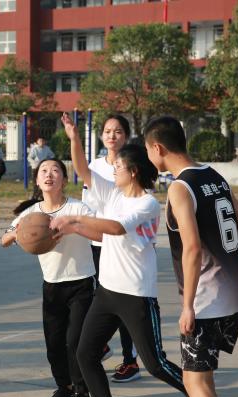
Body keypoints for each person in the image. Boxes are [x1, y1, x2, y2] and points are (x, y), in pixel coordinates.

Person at [52, 112, 189, 397]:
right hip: (107, 292)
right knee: (85, 353)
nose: (113, 169)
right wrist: (74, 137)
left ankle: (201, 395)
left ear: (133, 171)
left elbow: (115, 228)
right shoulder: (113, 196)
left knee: (155, 364)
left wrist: (75, 219)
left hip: (136, 295)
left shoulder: (147, 203)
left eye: (118, 167)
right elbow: (85, 176)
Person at [143, 116, 238, 397]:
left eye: (148, 150)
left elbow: (191, 248)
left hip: (205, 302)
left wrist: (188, 305)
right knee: (202, 379)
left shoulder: (180, 188)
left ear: (157, 148)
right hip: (232, 299)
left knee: (196, 384)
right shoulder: (215, 177)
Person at [2, 158, 97, 397]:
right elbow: (5, 238)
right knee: (54, 344)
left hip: (81, 283)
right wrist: (20, 234)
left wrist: (73, 226)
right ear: (37, 180)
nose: (49, 174)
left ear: (64, 180)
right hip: (52, 285)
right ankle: (64, 388)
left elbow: (100, 233)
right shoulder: (31, 214)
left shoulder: (78, 208)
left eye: (55, 170)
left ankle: (83, 395)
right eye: (44, 170)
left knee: (74, 342)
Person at [83, 115, 141, 383]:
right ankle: (102, 345)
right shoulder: (95, 166)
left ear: (126, 136)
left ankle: (130, 361)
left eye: (118, 131)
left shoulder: (134, 164)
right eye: (107, 131)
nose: (112, 135)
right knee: (99, 299)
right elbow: (88, 203)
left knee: (123, 303)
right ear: (101, 136)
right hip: (98, 242)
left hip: (122, 244)